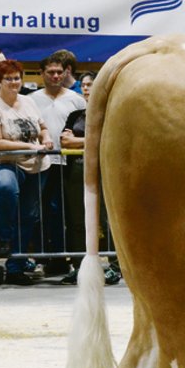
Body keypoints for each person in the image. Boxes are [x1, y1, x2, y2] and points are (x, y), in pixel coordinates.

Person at [0, 59, 53, 284]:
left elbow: (42, 128)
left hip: (37, 165)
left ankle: (15, 266)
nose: (14, 82)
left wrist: (46, 139)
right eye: (8, 78)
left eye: (17, 78)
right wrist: (30, 146)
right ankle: (5, 235)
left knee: (29, 216)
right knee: (5, 186)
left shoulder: (28, 102)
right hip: (6, 162)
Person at [59, 73, 120, 285]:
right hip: (76, 172)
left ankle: (114, 267)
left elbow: (108, 139)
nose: (86, 88)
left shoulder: (111, 114)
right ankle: (78, 266)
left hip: (105, 171)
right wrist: (89, 141)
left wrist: (80, 141)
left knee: (107, 220)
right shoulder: (75, 116)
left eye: (91, 85)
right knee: (77, 221)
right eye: (84, 85)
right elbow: (64, 141)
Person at [29, 55, 86, 276]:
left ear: (65, 73)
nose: (55, 76)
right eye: (50, 72)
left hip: (69, 162)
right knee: (42, 213)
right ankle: (49, 258)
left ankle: (71, 259)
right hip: (41, 163)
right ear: (41, 73)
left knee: (68, 214)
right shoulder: (31, 99)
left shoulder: (77, 100)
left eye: (59, 72)